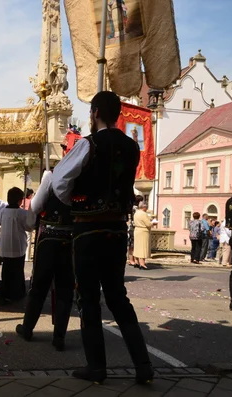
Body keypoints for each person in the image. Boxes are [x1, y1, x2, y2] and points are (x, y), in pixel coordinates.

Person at [52, 91, 153, 384]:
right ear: (118, 114)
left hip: (88, 228)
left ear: (95, 112)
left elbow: (60, 181)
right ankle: (143, 364)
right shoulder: (132, 146)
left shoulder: (88, 143)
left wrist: (77, 202)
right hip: (118, 229)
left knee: (88, 298)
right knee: (118, 297)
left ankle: (97, 367)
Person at [16, 169, 75, 351]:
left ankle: (28, 328)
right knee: (65, 288)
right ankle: (59, 336)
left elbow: (36, 206)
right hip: (70, 237)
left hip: (49, 236)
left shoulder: (51, 176)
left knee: (39, 286)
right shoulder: (80, 177)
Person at [0, 187, 35, 304]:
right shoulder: (21, 212)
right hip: (17, 245)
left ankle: (4, 293)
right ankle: (16, 293)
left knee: (6, 270)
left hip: (6, 245)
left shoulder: (3, 211)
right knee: (17, 270)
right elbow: (29, 226)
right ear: (20, 200)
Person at [133, 202, 152, 270]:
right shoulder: (143, 214)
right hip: (143, 231)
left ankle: (136, 261)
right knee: (143, 247)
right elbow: (148, 224)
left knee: (137, 247)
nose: (146, 209)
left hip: (137, 230)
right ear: (144, 207)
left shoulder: (136, 213)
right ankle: (142, 263)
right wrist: (153, 223)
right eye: (146, 208)